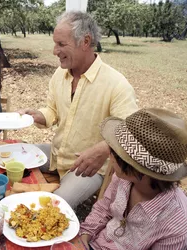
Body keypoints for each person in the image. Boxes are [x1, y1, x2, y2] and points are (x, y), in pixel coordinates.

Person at [19, 11, 139, 208]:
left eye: (61, 44)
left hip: (89, 167)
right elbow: (53, 111)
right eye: (55, 43)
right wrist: (39, 115)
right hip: (57, 154)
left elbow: (130, 130)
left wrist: (104, 149)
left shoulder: (116, 84)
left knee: (55, 206)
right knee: (15, 153)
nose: (54, 51)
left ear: (85, 41)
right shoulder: (59, 74)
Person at [80, 108, 187, 249]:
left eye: (114, 151)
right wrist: (83, 239)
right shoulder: (123, 178)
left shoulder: (177, 227)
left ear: (136, 167)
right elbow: (104, 209)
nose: (109, 155)